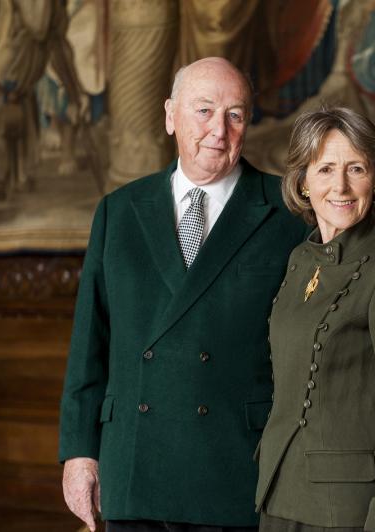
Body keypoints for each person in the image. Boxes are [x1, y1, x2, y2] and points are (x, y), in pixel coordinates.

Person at [58, 57, 307, 532]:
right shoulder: (119, 210)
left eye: (236, 114)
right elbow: (90, 344)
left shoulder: (289, 209)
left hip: (238, 468)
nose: (220, 129)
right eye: (205, 110)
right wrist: (79, 454)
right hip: (134, 466)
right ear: (170, 115)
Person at [254, 107, 375, 532]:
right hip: (278, 494)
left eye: (355, 168)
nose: (340, 186)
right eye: (325, 169)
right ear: (303, 181)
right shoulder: (301, 259)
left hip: (350, 511)